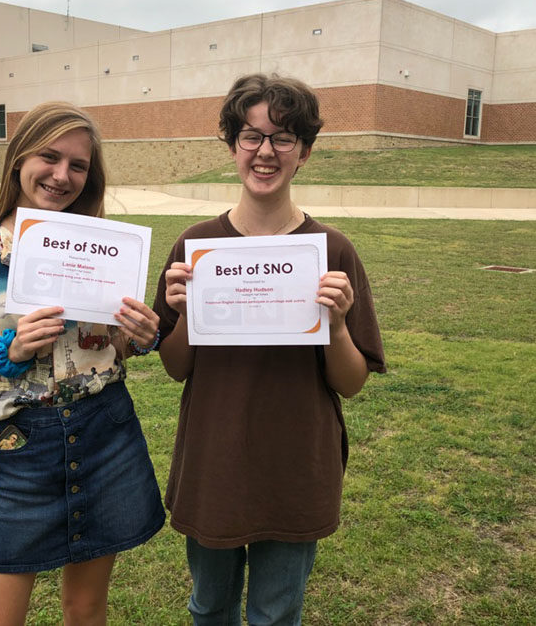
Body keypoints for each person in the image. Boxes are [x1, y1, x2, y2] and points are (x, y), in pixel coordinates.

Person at [153, 73, 386, 625]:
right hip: (216, 460)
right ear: (233, 146)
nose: (265, 151)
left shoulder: (331, 250)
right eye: (251, 136)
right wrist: (184, 315)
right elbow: (175, 367)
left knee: (277, 615)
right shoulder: (195, 246)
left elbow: (351, 384)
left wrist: (336, 322)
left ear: (303, 152)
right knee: (209, 608)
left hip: (296, 465)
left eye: (282, 138)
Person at [0, 101, 165, 625]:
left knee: (85, 610)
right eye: (49, 157)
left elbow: (114, 349)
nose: (61, 176)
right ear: (18, 159)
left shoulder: (108, 251)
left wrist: (141, 338)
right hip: (21, 445)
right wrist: (6, 355)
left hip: (107, 431)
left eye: (78, 166)